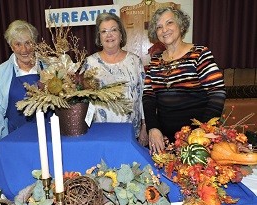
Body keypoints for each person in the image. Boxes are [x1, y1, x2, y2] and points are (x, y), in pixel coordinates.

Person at [143, 7, 226, 154]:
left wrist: (202, 132)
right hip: (164, 141)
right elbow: (148, 97)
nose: (164, 29)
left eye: (169, 23)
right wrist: (152, 128)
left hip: (198, 141)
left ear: (180, 25)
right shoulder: (155, 61)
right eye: (159, 27)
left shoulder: (199, 54)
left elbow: (217, 93)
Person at [81, 12, 148, 146]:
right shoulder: (90, 63)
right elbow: (81, 99)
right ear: (99, 37)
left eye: (113, 30)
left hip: (131, 134)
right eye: (104, 31)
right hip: (98, 133)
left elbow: (144, 96)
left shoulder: (135, 61)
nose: (109, 35)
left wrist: (144, 127)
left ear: (121, 34)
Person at [0, 20, 41, 147]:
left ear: (35, 43)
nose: (24, 49)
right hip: (14, 137)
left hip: (49, 136)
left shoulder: (49, 66)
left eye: (28, 43)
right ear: (11, 47)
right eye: (18, 44)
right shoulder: (2, 72)